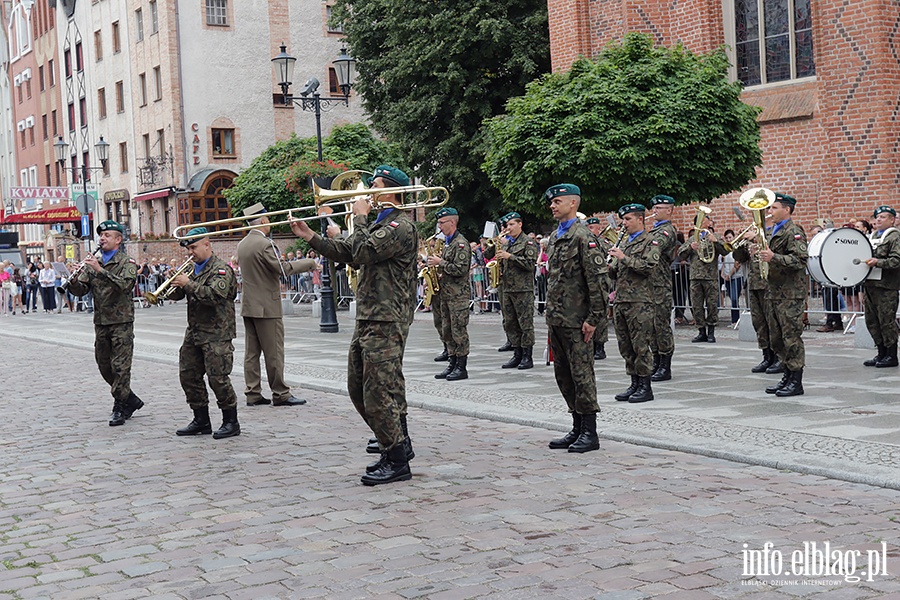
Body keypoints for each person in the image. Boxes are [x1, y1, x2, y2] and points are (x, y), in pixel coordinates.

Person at [290, 164, 419, 486]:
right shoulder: (380, 224)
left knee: (377, 390)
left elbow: (362, 251)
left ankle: (396, 457)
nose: (365, 191)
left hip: (387, 317)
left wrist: (358, 217)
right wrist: (312, 236)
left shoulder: (401, 225)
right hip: (369, 315)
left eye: (372, 185)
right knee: (360, 385)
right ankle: (396, 441)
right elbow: (350, 251)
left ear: (388, 188)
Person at [543, 184, 607, 453]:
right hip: (558, 318)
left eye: (557, 201)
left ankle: (590, 432)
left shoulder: (583, 237)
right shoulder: (557, 237)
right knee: (564, 376)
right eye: (551, 202)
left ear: (573, 203)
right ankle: (576, 426)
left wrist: (594, 318)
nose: (552, 206)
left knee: (582, 376)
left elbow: (598, 281)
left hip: (577, 319)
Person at [237, 202, 316, 407]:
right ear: (263, 220)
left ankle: (252, 392)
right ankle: (280, 392)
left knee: (251, 353)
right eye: (269, 219)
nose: (270, 222)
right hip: (266, 305)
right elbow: (283, 269)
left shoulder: (242, 243)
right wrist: (310, 263)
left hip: (249, 305)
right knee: (274, 352)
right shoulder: (265, 244)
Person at [67, 221, 144, 425]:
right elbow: (82, 290)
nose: (102, 238)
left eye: (107, 235)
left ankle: (120, 406)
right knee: (104, 366)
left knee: (120, 367)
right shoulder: (94, 262)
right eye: (101, 235)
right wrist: (73, 280)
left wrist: (100, 270)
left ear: (118, 239)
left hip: (121, 322)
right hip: (101, 322)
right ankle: (131, 399)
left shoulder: (127, 262)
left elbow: (126, 286)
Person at [168, 228, 241, 439]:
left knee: (218, 378)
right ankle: (201, 419)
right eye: (188, 248)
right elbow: (178, 294)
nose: (191, 252)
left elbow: (214, 296)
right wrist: (174, 283)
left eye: (194, 247)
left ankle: (231, 421)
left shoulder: (221, 270)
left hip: (217, 332)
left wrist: (188, 284)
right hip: (195, 331)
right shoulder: (192, 269)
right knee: (188, 375)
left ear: (207, 245)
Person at [755, 193, 808, 396]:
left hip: (790, 293)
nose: (770, 212)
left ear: (787, 210)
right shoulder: (771, 232)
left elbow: (800, 260)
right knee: (776, 338)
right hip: (774, 292)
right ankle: (786, 375)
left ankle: (796, 380)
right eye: (770, 208)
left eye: (774, 208)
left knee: (791, 337)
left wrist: (774, 257)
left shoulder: (794, 231)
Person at [609, 204, 661, 404]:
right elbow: (617, 272)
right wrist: (611, 265)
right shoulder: (624, 243)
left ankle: (645, 386)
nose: (624, 223)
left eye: (628, 219)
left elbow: (648, 267)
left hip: (640, 301)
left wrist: (624, 258)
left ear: (640, 219)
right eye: (623, 219)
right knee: (626, 345)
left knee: (640, 345)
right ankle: (634, 382)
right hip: (622, 299)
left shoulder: (650, 241)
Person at [484, 211, 539, 369]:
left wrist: (510, 257)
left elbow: (530, 264)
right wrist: (495, 242)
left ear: (520, 224)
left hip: (522, 289)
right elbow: (487, 253)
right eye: (507, 225)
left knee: (525, 323)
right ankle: (517, 354)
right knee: (510, 323)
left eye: (512, 224)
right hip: (506, 288)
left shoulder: (528, 242)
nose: (508, 228)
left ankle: (527, 356)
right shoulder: (505, 242)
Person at [427, 207, 471, 381]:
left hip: (458, 295)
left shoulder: (461, 243)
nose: (439, 226)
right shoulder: (448, 243)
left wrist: (441, 262)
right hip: (446, 294)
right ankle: (452, 363)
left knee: (458, 330)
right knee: (447, 330)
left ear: (452, 222)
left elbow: (461, 269)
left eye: (441, 223)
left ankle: (461, 367)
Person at [733, 222, 778, 373]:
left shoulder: (774, 232)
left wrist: (757, 239)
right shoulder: (752, 234)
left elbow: (776, 250)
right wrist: (741, 242)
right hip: (754, 284)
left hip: (769, 284)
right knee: (759, 322)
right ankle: (767, 356)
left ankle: (778, 358)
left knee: (773, 322)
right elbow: (740, 257)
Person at [861, 205, 900, 367]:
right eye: (877, 217)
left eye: (883, 217)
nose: (878, 220)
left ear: (892, 220)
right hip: (871, 285)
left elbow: (896, 260)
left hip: (886, 286)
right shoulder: (872, 236)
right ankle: (881, 352)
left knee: (886, 321)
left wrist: (878, 262)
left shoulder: (894, 237)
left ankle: (891, 355)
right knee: (872, 320)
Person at [678, 214, 726, 343]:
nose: (707, 222)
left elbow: (726, 250)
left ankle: (711, 332)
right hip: (695, 277)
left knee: (711, 305)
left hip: (711, 277)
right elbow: (680, 254)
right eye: (705, 220)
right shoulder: (693, 239)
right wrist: (690, 247)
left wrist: (715, 241)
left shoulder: (715, 236)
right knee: (696, 306)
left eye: (707, 220)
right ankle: (701, 331)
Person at [647, 195, 678, 380]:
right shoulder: (654, 230)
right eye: (654, 208)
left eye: (659, 208)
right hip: (650, 285)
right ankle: (656, 361)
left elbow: (653, 250)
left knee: (661, 326)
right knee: (651, 327)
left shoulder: (666, 231)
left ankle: (665, 366)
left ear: (669, 210)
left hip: (660, 285)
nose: (655, 211)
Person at [584, 217, 612, 360]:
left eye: (592, 228)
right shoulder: (583, 242)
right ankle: (590, 345)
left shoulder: (603, 243)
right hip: (587, 282)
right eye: (588, 228)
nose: (590, 230)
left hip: (601, 282)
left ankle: (600, 346)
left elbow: (612, 255)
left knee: (600, 315)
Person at [810, 225, 842, 332]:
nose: (814, 237)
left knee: (830, 299)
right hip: (823, 275)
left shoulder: (828, 244)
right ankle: (837, 322)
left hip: (830, 275)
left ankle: (830, 323)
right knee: (828, 299)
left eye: (816, 234)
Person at [720, 229, 745, 326]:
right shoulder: (726, 249)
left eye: (730, 237)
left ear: (733, 237)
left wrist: (730, 275)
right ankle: (734, 320)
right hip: (727, 277)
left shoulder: (736, 249)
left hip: (736, 277)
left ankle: (736, 320)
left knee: (735, 298)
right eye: (726, 238)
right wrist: (723, 273)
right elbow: (724, 263)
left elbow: (737, 264)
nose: (728, 239)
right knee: (731, 298)